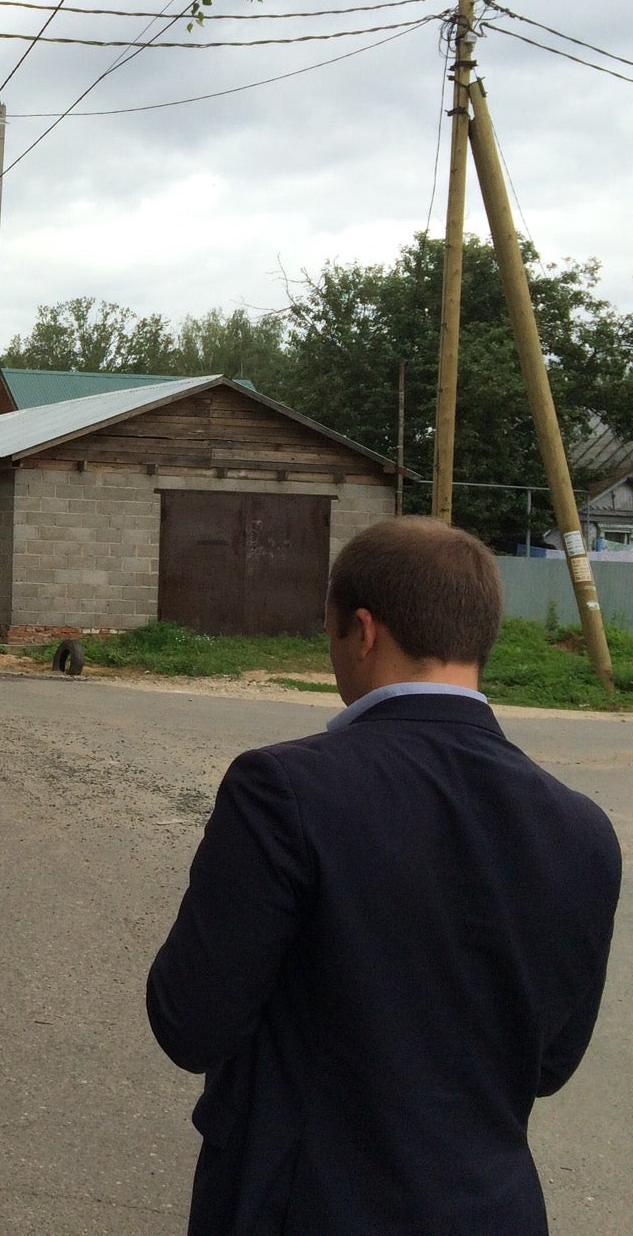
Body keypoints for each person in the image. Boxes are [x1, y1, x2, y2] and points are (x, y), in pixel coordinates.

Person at [146, 517, 620, 1236]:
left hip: (301, 1207)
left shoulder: (283, 790)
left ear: (363, 631)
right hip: (494, 1213)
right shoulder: (584, 830)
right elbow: (548, 1064)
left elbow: (190, 1022)